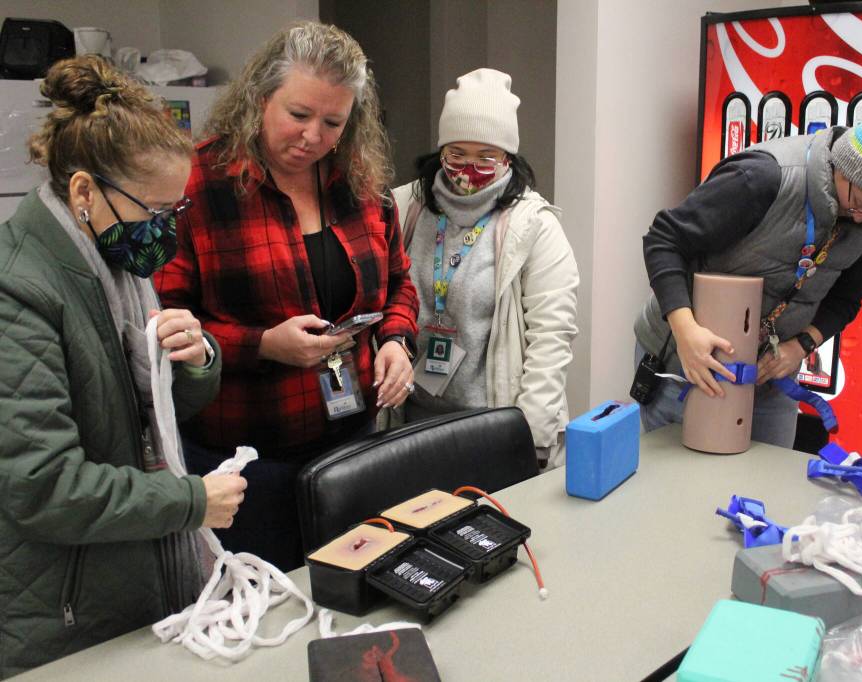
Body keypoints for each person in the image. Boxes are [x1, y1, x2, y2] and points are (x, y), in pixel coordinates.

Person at [0, 56, 246, 678]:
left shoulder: (113, 267)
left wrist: (196, 360)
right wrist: (190, 501)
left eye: (174, 212)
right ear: (84, 191)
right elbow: (44, 488)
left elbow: (143, 416)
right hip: (65, 613)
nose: (164, 231)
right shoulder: (18, 292)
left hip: (137, 582)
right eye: (154, 212)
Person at [155, 22, 418, 570]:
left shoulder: (358, 181)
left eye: (333, 123)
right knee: (260, 611)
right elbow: (162, 321)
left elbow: (398, 282)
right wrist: (261, 345)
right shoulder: (195, 183)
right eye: (298, 116)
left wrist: (395, 341)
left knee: (351, 593)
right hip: (245, 457)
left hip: (351, 442)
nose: (314, 138)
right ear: (259, 99)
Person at [633, 101, 862, 446]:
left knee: (765, 483)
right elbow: (663, 240)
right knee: (684, 486)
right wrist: (686, 333)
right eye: (861, 204)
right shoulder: (761, 178)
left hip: (768, 377)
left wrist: (800, 346)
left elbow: (847, 299)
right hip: (686, 363)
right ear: (849, 170)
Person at [392, 68, 579, 470]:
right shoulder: (403, 207)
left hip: (490, 431)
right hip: (410, 424)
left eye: (485, 157)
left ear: (508, 158)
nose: (468, 168)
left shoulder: (534, 225)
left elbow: (552, 338)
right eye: (456, 154)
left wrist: (528, 440)